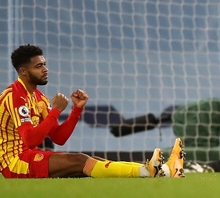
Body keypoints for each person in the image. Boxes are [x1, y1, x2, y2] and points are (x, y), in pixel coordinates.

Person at [0, 44, 184, 178]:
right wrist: (55, 111)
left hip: (28, 157)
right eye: (39, 66)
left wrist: (75, 111)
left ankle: (158, 171)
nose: (45, 69)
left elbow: (58, 137)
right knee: (81, 160)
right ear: (23, 71)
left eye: (44, 64)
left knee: (92, 161)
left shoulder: (38, 97)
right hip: (14, 162)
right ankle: (149, 171)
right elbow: (30, 139)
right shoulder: (14, 95)